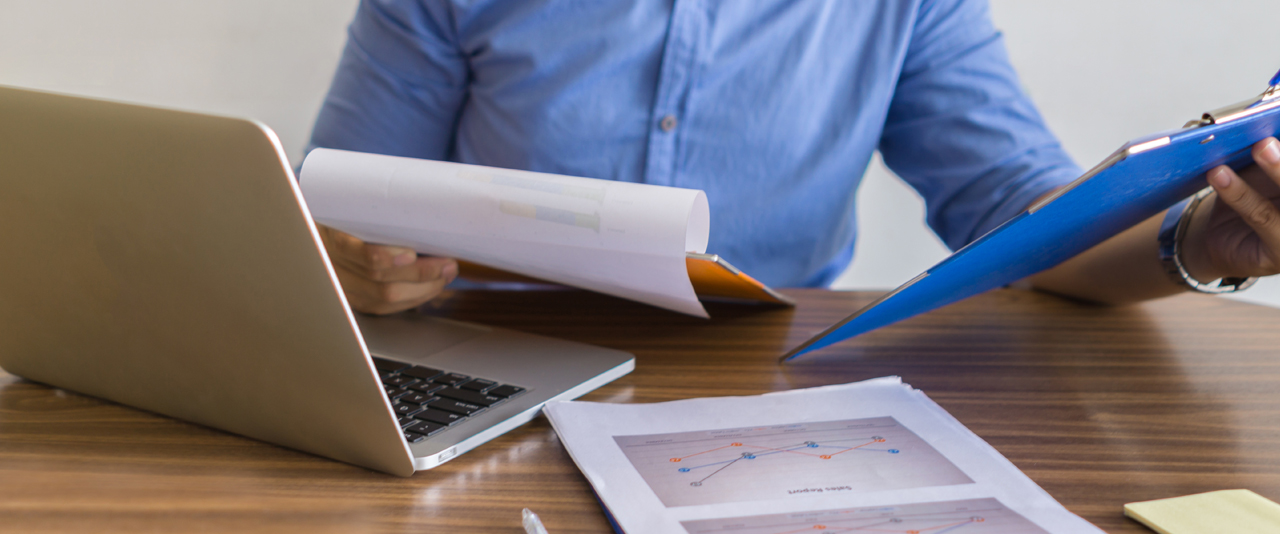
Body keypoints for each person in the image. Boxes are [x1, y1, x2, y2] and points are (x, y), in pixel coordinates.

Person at [306, 0, 1280, 315]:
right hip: (489, 367)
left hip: (768, 381)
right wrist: (339, 264)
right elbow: (340, 208)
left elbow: (1021, 220)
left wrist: (1200, 241)